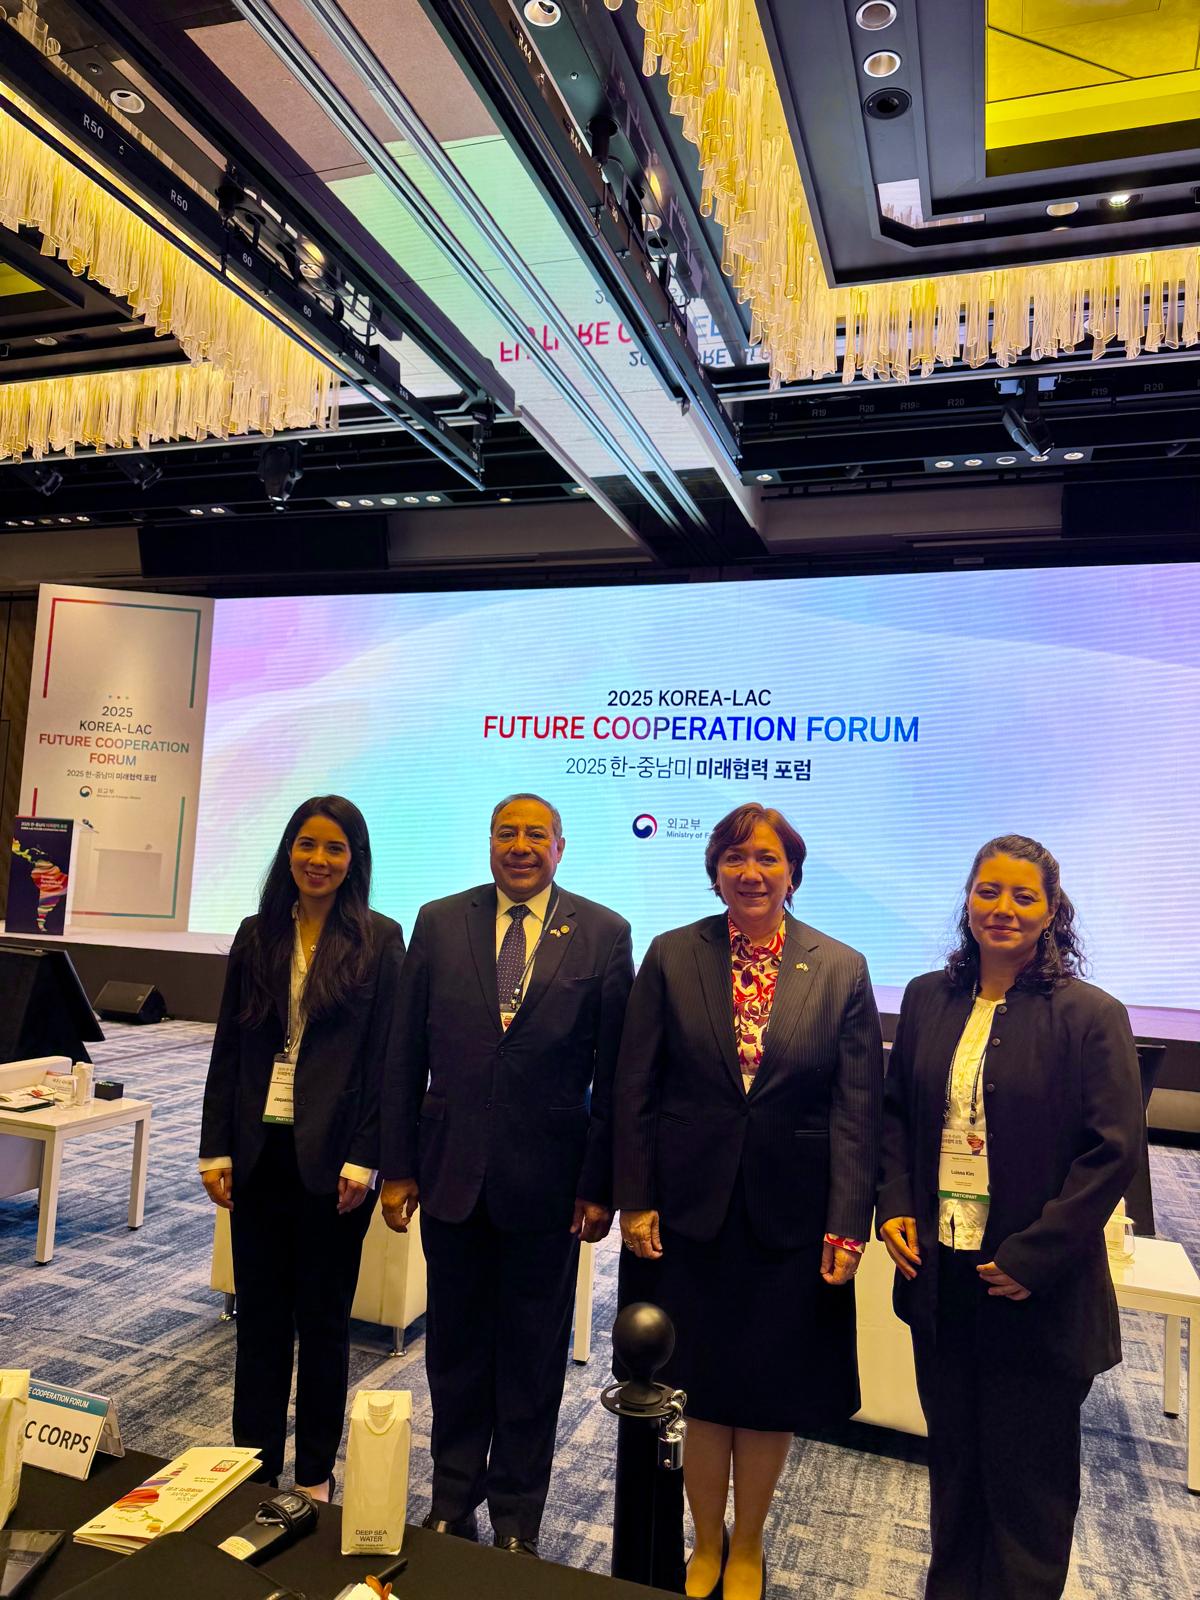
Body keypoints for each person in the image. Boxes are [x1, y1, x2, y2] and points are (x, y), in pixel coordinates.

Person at [615, 803, 883, 1600]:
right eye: (735, 857)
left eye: (767, 858)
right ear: (715, 871)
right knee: (698, 1387)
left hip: (791, 1217)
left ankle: (750, 1542)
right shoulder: (672, 954)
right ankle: (705, 1542)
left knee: (767, 1392)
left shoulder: (840, 967)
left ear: (792, 872)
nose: (751, 872)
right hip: (688, 1210)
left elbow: (857, 1107)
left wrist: (848, 1222)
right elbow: (636, 1085)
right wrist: (636, 1197)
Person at [877, 834, 1143, 1600]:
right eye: (988, 891)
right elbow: (895, 1115)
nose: (1003, 908)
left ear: (1051, 911)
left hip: (1034, 1293)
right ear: (968, 899)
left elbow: (1113, 1151)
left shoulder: (1091, 1015)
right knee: (955, 1474)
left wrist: (1037, 1257)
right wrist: (895, 1204)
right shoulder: (927, 998)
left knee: (1028, 1494)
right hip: (941, 1278)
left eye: (1024, 896)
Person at [379, 793, 633, 1556]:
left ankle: (518, 1519)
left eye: (535, 835)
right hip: (451, 1174)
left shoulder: (604, 932)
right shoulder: (438, 921)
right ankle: (451, 1502)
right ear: (489, 842)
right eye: (505, 833)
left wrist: (600, 1184)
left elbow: (614, 1076)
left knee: (530, 1359)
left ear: (560, 846)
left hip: (549, 1186)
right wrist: (399, 1168)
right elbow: (403, 1054)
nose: (519, 846)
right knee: (455, 1352)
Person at [199, 796, 404, 1500]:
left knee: (322, 1322)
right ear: (289, 850)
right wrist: (215, 1147)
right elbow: (229, 1047)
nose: (318, 860)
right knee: (259, 1320)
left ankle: (315, 1472)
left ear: (354, 860)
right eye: (307, 844)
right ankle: (253, 1468)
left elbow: (387, 1061)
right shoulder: (256, 934)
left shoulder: (380, 939)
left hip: (336, 1163)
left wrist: (366, 1157)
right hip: (260, 1152)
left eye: (334, 848)